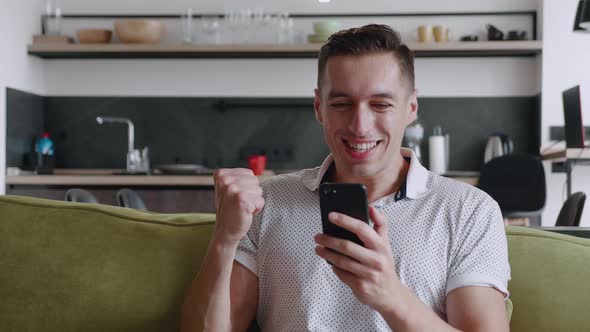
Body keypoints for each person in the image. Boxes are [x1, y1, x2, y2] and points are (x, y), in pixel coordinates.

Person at [181, 24, 510, 332]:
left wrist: (390, 295)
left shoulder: (469, 210)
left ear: (411, 108)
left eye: (380, 104)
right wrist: (223, 238)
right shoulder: (267, 203)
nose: (360, 125)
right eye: (342, 103)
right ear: (319, 107)